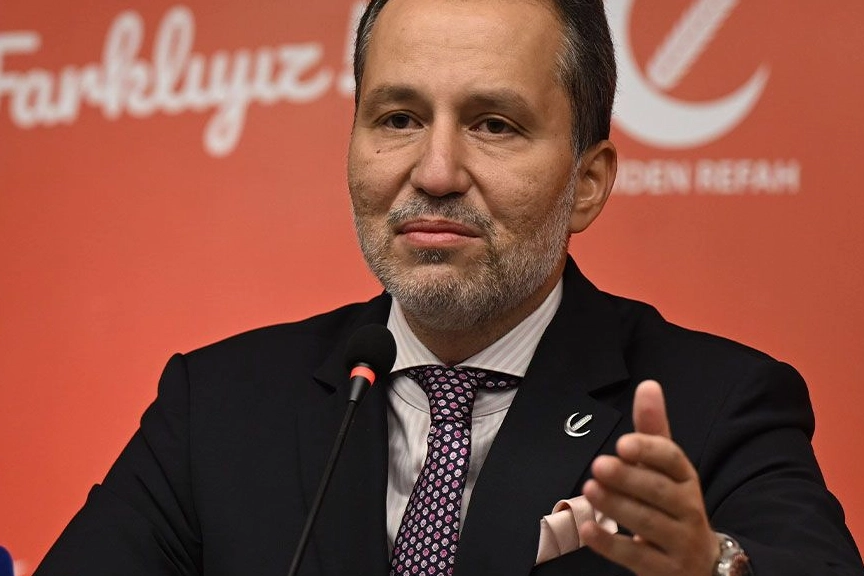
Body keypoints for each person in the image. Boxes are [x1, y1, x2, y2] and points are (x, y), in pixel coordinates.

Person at [35, 0, 864, 575]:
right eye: (398, 119)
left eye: (494, 125)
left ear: (587, 182)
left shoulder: (715, 405)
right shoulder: (217, 406)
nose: (434, 172)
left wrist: (713, 567)